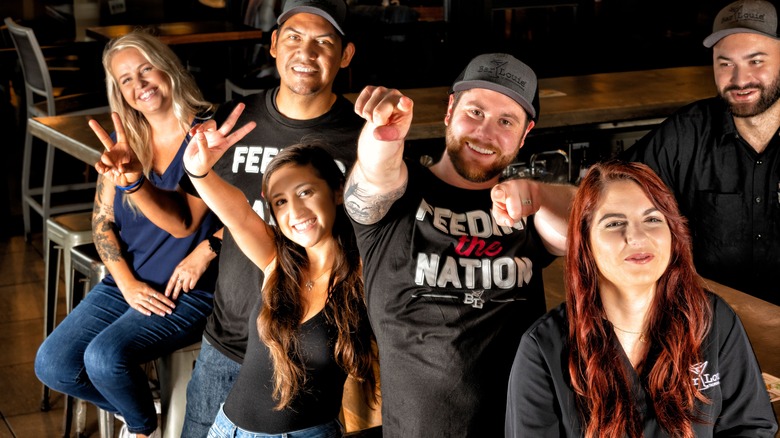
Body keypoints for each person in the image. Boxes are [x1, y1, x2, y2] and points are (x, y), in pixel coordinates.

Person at [87, 1, 363, 435]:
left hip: (305, 348)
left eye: (324, 42)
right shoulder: (233, 123)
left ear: (345, 56)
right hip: (228, 337)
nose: (306, 53)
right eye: (293, 37)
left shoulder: (364, 139)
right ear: (273, 44)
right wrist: (136, 183)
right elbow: (190, 219)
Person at [344, 53, 577, 436]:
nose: (485, 133)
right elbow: (375, 175)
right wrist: (380, 135)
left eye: (506, 121)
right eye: (475, 112)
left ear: (525, 133)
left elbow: (590, 223)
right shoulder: (402, 197)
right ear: (450, 109)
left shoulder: (526, 207)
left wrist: (537, 193)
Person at [34, 31, 220, 438]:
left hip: (188, 289)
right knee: (53, 364)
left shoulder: (207, 134)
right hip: (132, 281)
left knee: (104, 358)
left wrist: (137, 185)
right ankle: (141, 407)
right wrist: (127, 283)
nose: (140, 85)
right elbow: (101, 222)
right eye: (126, 81)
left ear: (167, 67)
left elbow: (185, 223)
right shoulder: (126, 141)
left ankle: (140, 430)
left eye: (145, 70)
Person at [505, 160, 778, 437]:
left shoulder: (713, 319)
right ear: (585, 243)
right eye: (614, 223)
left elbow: (750, 427)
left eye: (652, 219)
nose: (636, 236)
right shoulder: (543, 349)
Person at [181, 141, 376, 436]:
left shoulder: (365, 272)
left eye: (305, 192)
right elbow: (237, 212)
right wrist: (199, 172)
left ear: (337, 191)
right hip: (225, 429)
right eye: (281, 201)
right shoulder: (276, 261)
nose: (295, 210)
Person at [621, 0, 780, 305]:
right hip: (707, 322)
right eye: (725, 63)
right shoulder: (686, 133)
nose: (739, 79)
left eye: (756, 61)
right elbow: (613, 191)